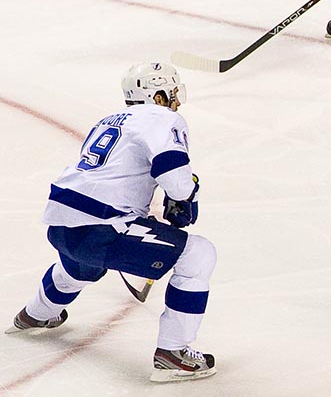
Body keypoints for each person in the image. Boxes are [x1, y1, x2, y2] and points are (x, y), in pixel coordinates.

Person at [6, 63, 217, 383]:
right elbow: (175, 180)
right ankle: (173, 352)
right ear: (157, 95)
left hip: (62, 221)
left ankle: (36, 313)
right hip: (103, 224)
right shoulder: (163, 117)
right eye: (171, 93)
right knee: (198, 254)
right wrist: (189, 195)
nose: (175, 101)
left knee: (80, 266)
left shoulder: (109, 120)